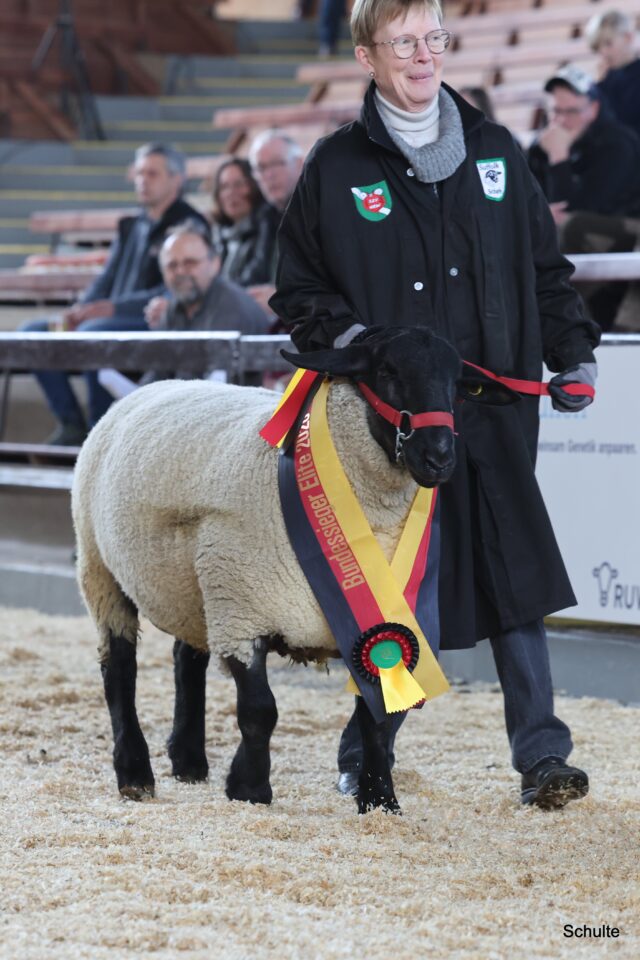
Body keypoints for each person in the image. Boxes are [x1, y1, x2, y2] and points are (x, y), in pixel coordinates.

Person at [270, 0, 601, 810]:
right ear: (366, 55)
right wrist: (367, 347)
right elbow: (299, 291)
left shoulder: (497, 151)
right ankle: (368, 751)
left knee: (517, 577)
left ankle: (543, 757)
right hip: (397, 423)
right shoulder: (336, 166)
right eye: (404, 42)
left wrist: (574, 353)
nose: (424, 56)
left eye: (434, 39)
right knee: (399, 590)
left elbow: (545, 270)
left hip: (496, 409)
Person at [23, 143, 209, 445]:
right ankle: (70, 424)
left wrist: (114, 308)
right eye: (139, 173)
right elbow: (107, 278)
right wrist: (81, 308)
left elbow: (177, 290)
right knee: (32, 334)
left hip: (153, 322)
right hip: (106, 320)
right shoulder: (132, 225)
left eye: (152, 173)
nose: (142, 181)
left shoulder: (190, 225)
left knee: (93, 334)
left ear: (176, 179)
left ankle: (99, 432)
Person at [528, 64, 640, 329]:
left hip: (628, 228)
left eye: (572, 111)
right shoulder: (543, 146)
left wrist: (559, 159)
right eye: (556, 111)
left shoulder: (617, 144)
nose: (561, 121)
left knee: (570, 226)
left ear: (594, 108)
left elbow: (580, 209)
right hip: (579, 233)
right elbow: (530, 200)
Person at [138, 221, 271, 385]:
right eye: (172, 265)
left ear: (215, 264)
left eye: (190, 262)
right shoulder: (175, 307)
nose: (180, 271)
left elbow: (211, 388)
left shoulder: (232, 309)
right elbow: (157, 374)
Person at [246, 130, 305, 319]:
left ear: (299, 164)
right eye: (261, 167)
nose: (269, 174)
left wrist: (285, 298)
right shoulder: (265, 216)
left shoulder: (321, 211)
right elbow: (254, 274)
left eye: (277, 164)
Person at [210, 158, 275, 287]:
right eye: (224, 187)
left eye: (239, 184)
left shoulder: (268, 225)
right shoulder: (218, 234)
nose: (231, 193)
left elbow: (257, 274)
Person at [585, 9, 640, 138]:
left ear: (628, 37)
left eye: (608, 43)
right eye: (598, 47)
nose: (603, 52)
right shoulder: (605, 80)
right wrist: (599, 86)